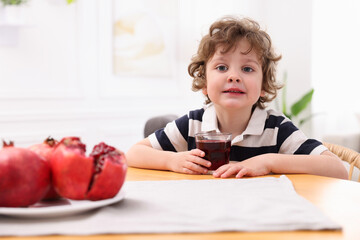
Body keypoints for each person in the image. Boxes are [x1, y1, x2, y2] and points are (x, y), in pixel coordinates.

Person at [126, 16, 348, 180]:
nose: (234, 76)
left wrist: (267, 161)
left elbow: (336, 168)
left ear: (263, 86)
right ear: (204, 83)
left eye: (248, 69)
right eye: (222, 67)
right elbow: (134, 153)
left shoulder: (277, 129)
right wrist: (171, 160)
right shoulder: (193, 124)